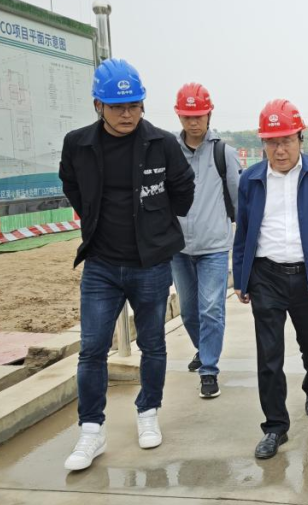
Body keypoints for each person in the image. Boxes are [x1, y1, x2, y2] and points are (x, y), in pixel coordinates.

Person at [59, 59, 195, 471]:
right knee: (92, 348)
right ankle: (91, 429)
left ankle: (148, 411)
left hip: (149, 264)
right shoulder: (78, 144)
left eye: (134, 105)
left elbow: (183, 191)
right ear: (98, 105)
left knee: (153, 344)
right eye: (117, 107)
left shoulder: (161, 144)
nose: (127, 114)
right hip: (101, 264)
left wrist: (154, 227)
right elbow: (71, 185)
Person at [233, 99, 308, 459]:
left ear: (300, 138)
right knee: (269, 355)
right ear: (262, 143)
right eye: (271, 142)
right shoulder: (251, 180)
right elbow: (243, 232)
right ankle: (274, 427)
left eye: (286, 141)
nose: (279, 150)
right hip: (266, 276)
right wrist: (241, 277)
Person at [171, 83, 241, 398]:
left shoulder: (223, 153)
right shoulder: (169, 152)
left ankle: (209, 370)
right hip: (179, 248)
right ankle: (203, 348)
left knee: (211, 308)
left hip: (214, 246)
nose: (193, 122)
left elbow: (238, 199)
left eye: (198, 115)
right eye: (187, 116)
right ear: (179, 116)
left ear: (209, 114)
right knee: (188, 311)